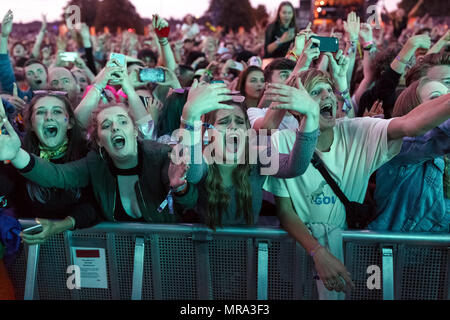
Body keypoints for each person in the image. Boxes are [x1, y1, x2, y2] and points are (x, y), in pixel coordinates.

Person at [263, 68, 450, 299]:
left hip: (347, 249)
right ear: (295, 107)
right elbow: (285, 210)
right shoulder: (280, 141)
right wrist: (317, 251)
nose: (327, 95)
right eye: (315, 92)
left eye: (329, 89)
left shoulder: (357, 131)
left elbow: (409, 125)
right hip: (298, 251)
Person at [0, 100, 198, 243]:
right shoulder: (95, 163)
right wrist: (16, 154)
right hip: (122, 255)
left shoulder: (160, 155)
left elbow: (189, 202)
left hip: (171, 250)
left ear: (135, 131)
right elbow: (57, 175)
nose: (115, 128)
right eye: (106, 125)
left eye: (122, 121)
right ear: (99, 141)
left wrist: (180, 188)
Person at [178, 80, 319, 229]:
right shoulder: (204, 159)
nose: (233, 127)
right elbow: (192, 174)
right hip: (206, 249)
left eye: (239, 122)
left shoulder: (257, 157)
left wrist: (312, 116)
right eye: (224, 122)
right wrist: (190, 117)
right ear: (208, 132)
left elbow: (295, 167)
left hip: (248, 250)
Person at [0, 92, 99, 245]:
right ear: (31, 125)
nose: (48, 117)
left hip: (86, 244)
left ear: (70, 122)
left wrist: (60, 226)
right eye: (40, 112)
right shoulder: (18, 153)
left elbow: (96, 204)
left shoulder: (87, 153)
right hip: (34, 249)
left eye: (57, 111)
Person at [369, 78, 450, 232]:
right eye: (435, 98)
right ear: (413, 111)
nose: (443, 104)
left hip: (432, 254)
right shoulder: (400, 147)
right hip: (399, 252)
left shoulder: (441, 157)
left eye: (447, 96)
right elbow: (438, 136)